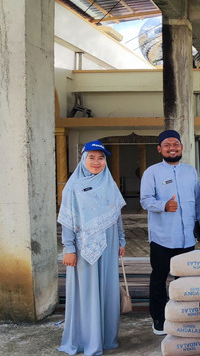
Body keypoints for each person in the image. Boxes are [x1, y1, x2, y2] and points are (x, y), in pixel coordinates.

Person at [58, 140, 126, 355]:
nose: (97, 162)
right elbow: (68, 219)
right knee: (85, 293)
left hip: (109, 244)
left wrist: (122, 241)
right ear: (83, 159)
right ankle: (87, 340)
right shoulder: (73, 185)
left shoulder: (109, 183)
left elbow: (117, 216)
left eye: (101, 157)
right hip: (83, 247)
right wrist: (68, 248)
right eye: (92, 157)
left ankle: (106, 338)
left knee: (107, 290)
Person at [140, 130, 200, 335]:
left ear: (181, 147)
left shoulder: (190, 171)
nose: (172, 148)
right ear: (159, 149)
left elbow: (197, 200)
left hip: (187, 237)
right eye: (167, 145)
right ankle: (159, 319)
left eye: (176, 144)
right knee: (159, 279)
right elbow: (145, 200)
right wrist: (163, 205)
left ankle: (183, 316)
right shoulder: (151, 172)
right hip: (162, 237)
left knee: (185, 280)